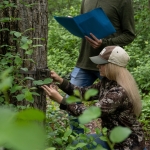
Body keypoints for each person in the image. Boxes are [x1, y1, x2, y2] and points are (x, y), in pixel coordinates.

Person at [42, 46, 145, 150]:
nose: (97, 66)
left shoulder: (119, 92)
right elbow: (83, 92)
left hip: (128, 145)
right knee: (78, 144)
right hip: (111, 139)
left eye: (102, 64)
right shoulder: (108, 82)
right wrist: (60, 81)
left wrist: (61, 100)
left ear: (112, 66)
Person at [69, 0, 136, 134]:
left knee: (116, 110)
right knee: (70, 99)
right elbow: (84, 28)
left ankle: (121, 143)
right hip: (84, 62)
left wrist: (105, 43)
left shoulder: (123, 2)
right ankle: (79, 142)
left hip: (109, 65)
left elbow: (130, 34)